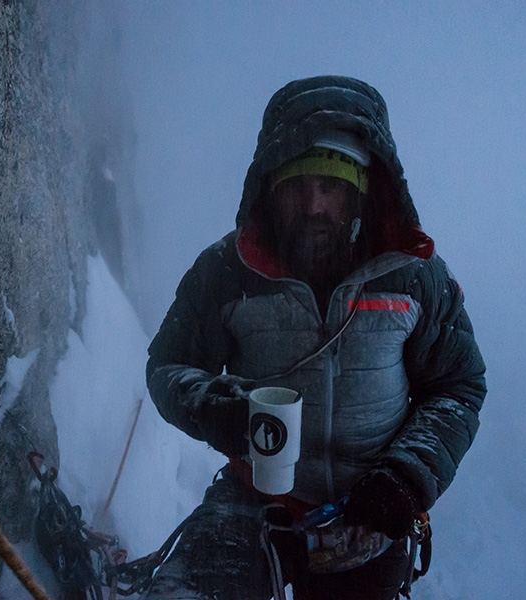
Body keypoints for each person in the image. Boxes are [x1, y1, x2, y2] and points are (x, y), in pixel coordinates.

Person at [143, 76, 487, 600]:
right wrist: (214, 406)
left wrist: (407, 477)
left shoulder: (414, 278)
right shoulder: (226, 272)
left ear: (361, 194)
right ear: (269, 187)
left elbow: (458, 387)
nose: (313, 206)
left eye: (331, 185)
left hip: (370, 520)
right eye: (297, 185)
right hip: (252, 500)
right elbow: (168, 364)